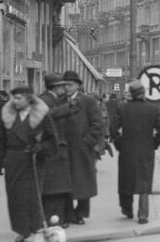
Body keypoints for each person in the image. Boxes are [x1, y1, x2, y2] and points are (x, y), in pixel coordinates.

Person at [0, 86, 57, 242]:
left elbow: (52, 142)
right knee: (16, 197)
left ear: (28, 98)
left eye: (18, 98)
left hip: (33, 161)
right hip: (13, 162)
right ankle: (22, 231)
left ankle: (35, 229)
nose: (14, 101)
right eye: (13, 98)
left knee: (32, 197)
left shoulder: (42, 116)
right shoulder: (7, 117)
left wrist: (40, 148)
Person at [111, 80, 160, 224]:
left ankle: (127, 208)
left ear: (131, 94)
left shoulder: (122, 108)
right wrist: (154, 144)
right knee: (144, 181)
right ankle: (143, 214)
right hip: (146, 150)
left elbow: (113, 129)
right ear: (144, 93)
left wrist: (119, 144)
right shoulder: (153, 109)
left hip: (127, 150)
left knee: (125, 180)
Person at [61, 70, 104, 225]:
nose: (67, 87)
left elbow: (98, 124)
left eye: (70, 84)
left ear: (78, 85)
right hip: (65, 148)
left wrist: (87, 142)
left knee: (83, 181)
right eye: (64, 84)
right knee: (65, 182)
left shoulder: (87, 101)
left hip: (82, 149)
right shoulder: (60, 101)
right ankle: (67, 213)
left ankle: (80, 213)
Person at [38, 73, 75, 227]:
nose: (64, 88)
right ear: (56, 87)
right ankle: (54, 219)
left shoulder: (52, 99)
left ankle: (59, 218)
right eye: (62, 85)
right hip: (54, 151)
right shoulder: (46, 100)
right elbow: (49, 117)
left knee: (58, 189)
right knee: (55, 189)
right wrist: (68, 107)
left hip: (57, 149)